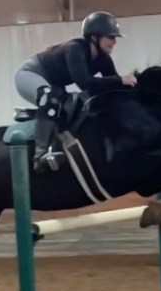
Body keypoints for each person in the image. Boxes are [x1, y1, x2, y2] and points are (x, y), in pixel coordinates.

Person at [13, 11, 139, 173]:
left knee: (70, 108)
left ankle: (52, 141)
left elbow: (112, 87)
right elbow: (84, 83)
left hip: (54, 84)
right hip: (29, 75)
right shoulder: (75, 49)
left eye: (114, 38)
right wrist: (120, 80)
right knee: (50, 98)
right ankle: (40, 154)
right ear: (94, 37)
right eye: (110, 37)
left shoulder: (103, 60)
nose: (114, 42)